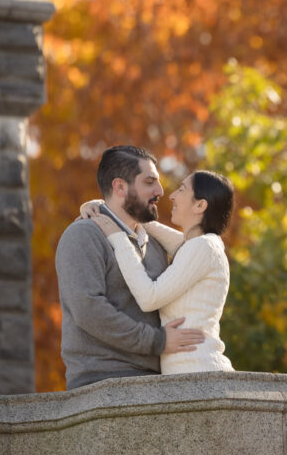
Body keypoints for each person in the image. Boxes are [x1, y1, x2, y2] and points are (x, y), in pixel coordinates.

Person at [55, 146, 206, 389]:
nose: (160, 191)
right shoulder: (83, 236)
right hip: (104, 382)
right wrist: (158, 341)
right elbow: (88, 309)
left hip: (159, 381)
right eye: (149, 182)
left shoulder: (154, 243)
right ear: (120, 187)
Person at [81, 169, 235, 374]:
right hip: (189, 372)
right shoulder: (197, 246)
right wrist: (104, 207)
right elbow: (153, 227)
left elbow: (148, 297)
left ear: (200, 205)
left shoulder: (204, 247)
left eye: (182, 189)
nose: (171, 195)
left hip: (199, 371)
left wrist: (115, 235)